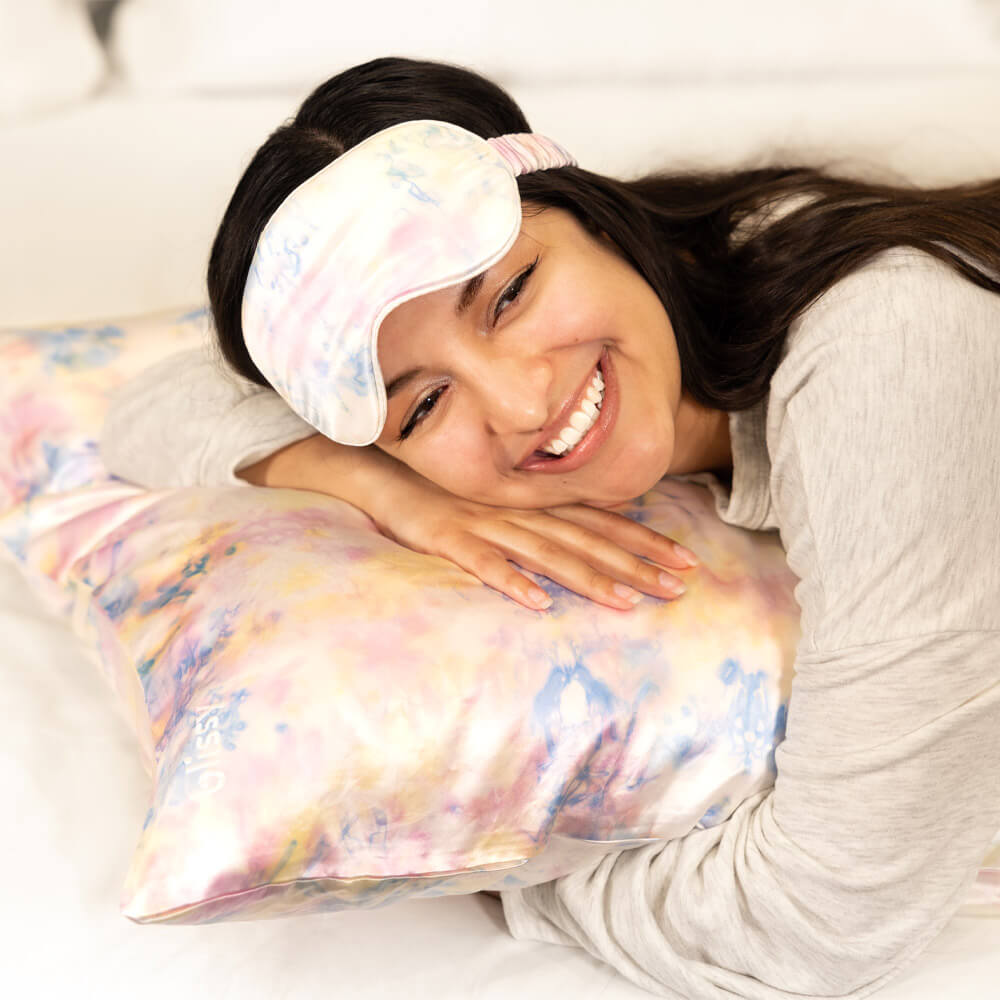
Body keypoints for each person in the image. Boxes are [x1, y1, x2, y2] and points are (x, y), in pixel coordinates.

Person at [100, 57, 1000, 999]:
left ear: (590, 210)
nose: (522, 404)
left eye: (508, 296)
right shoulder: (673, 275)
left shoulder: (888, 346)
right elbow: (148, 408)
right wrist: (391, 490)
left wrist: (504, 878)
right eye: (423, 405)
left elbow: (826, 920)